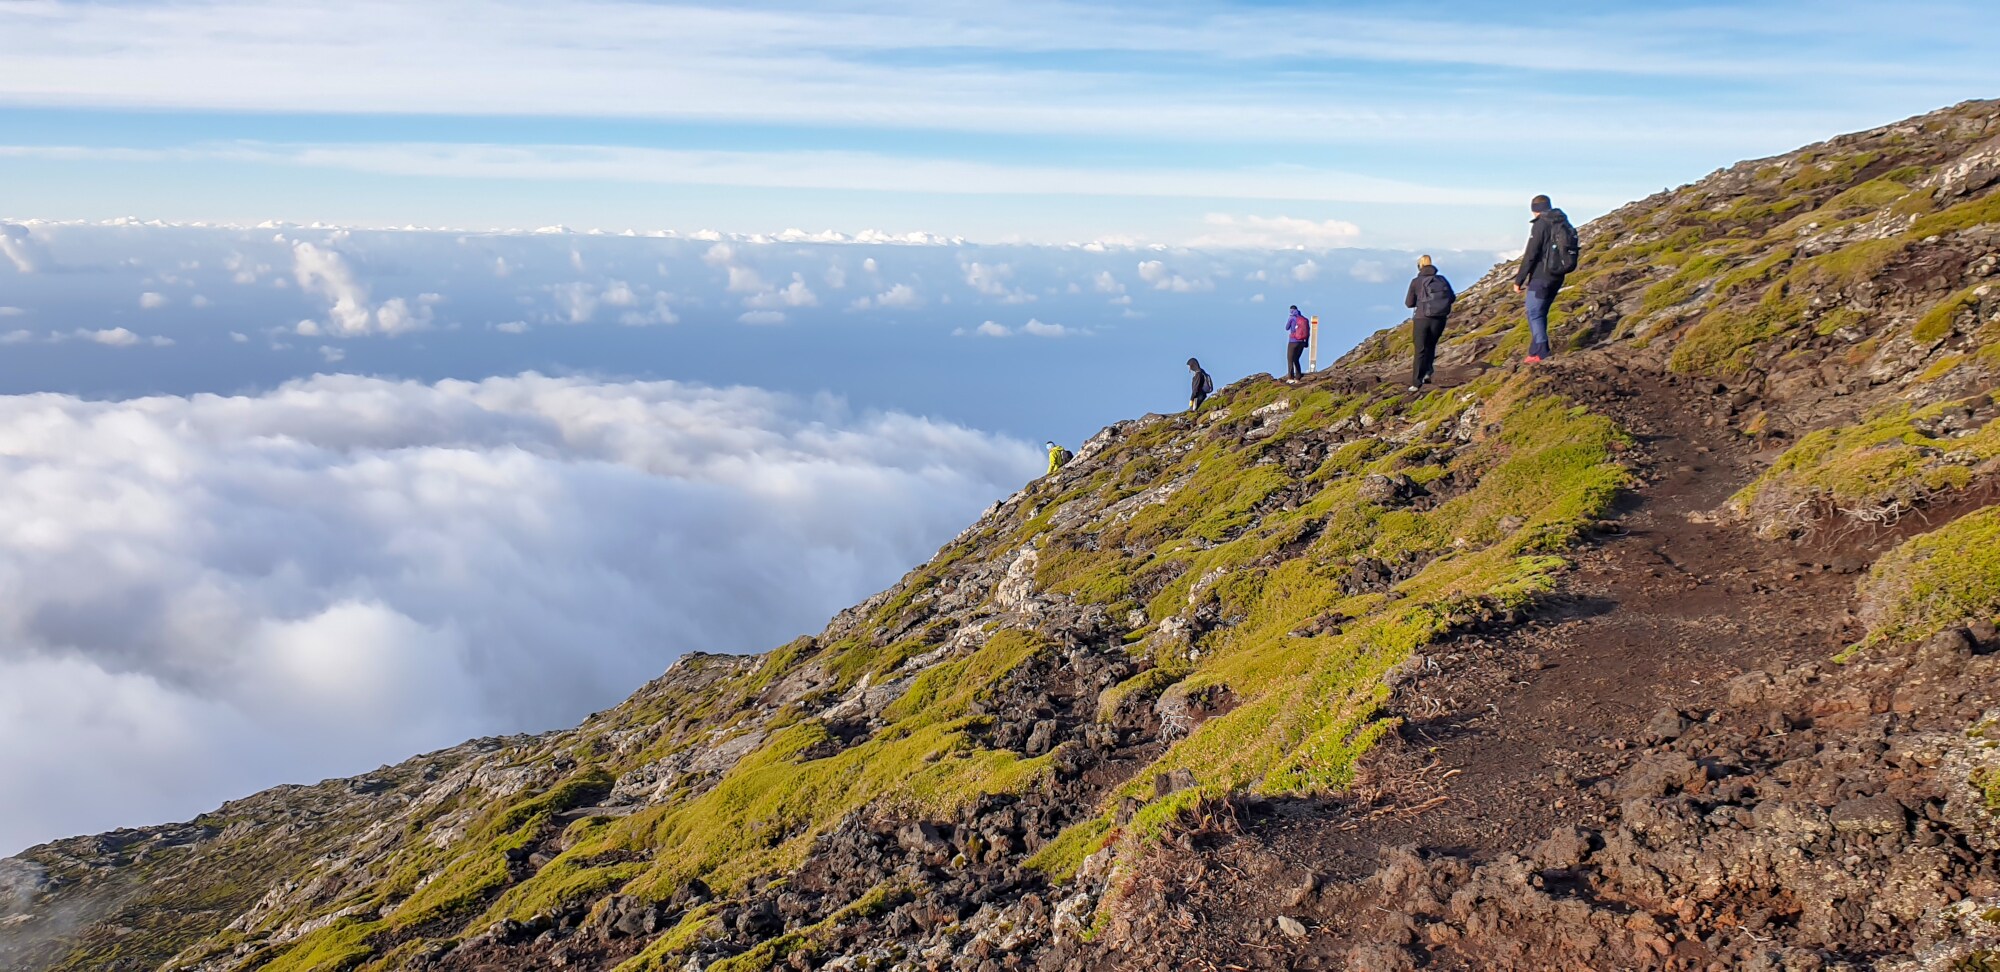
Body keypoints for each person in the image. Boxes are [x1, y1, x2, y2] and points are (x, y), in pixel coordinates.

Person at [1512, 194, 1578, 364]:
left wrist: (1519, 280)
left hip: (1542, 276)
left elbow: (1531, 254)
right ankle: (1534, 351)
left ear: (1535, 210)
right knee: (1541, 312)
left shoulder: (1541, 224)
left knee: (1534, 312)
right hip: (1558, 275)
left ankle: (1542, 352)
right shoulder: (1562, 221)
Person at [1403, 255, 1455, 391]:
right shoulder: (1442, 279)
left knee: (1420, 349)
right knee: (1431, 346)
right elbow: (1452, 297)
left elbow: (1409, 303)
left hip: (1422, 318)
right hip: (1439, 318)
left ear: (1419, 266)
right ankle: (1427, 373)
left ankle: (1416, 382)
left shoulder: (1416, 281)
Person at [1284, 305, 1311, 382]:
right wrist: (1306, 342)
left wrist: (1290, 319)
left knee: (1290, 359)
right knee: (1296, 359)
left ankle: (1290, 378)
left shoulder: (1292, 317)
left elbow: (1287, 328)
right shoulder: (1304, 319)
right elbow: (1308, 332)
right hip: (1302, 342)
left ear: (1291, 310)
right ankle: (1298, 377)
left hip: (1293, 341)